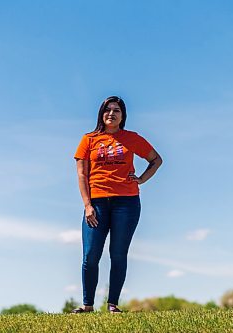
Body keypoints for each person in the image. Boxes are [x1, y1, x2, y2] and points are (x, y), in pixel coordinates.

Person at [72, 96, 162, 313]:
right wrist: (87, 205)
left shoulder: (131, 138)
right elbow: (82, 174)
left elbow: (156, 160)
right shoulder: (89, 139)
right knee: (91, 254)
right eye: (108, 110)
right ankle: (87, 305)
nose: (111, 114)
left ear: (123, 116)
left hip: (127, 203)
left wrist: (141, 179)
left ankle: (113, 305)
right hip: (97, 204)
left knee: (118, 253)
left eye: (117, 110)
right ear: (101, 114)